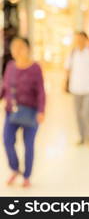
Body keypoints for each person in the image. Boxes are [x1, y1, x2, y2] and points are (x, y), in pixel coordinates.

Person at [2, 37, 45, 188]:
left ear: (27, 48)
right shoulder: (10, 66)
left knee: (28, 144)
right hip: (11, 111)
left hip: (31, 111)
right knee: (7, 141)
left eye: (20, 47)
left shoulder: (35, 68)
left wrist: (41, 110)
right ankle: (14, 169)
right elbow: (5, 87)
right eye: (14, 47)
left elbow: (41, 91)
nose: (17, 50)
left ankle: (26, 176)